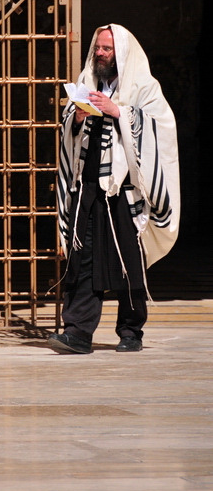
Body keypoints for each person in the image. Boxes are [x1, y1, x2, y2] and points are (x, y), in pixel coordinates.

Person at [50, 24, 180, 354]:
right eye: (97, 47)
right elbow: (69, 130)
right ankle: (78, 331)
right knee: (83, 260)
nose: (99, 53)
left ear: (121, 52)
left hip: (124, 192)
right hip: (89, 187)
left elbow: (161, 127)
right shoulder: (87, 82)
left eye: (106, 48)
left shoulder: (144, 88)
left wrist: (119, 111)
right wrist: (77, 117)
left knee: (127, 260)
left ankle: (131, 330)